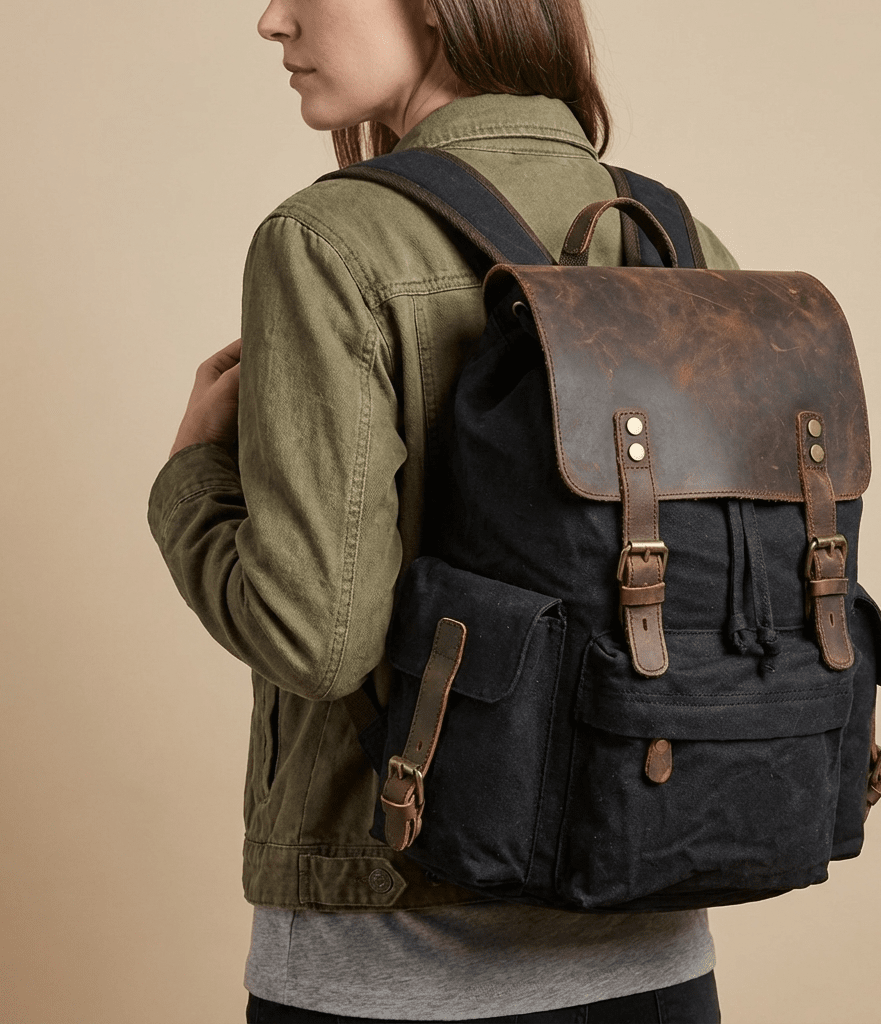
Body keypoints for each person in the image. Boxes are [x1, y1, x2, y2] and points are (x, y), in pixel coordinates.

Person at [149, 1, 739, 1020]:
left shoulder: (328, 239)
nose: (271, 19)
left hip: (392, 964)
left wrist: (192, 481)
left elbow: (317, 636)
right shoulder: (678, 236)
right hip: (654, 948)